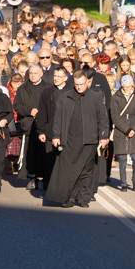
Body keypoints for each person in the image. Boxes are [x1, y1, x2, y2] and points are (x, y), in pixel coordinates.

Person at [45, 71, 109, 208]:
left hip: (89, 139)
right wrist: (56, 136)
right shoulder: (65, 97)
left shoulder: (96, 97)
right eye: (76, 84)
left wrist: (104, 136)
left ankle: (83, 198)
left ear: (87, 82)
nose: (79, 87)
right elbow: (57, 118)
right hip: (69, 140)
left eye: (81, 84)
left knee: (86, 171)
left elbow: (103, 118)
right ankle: (69, 198)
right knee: (69, 171)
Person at [14, 65, 48, 189]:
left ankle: (44, 178)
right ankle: (32, 178)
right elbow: (17, 105)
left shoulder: (48, 88)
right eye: (31, 73)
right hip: (28, 124)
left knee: (43, 153)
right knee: (30, 154)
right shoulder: (23, 88)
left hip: (43, 126)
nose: (33, 75)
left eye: (36, 73)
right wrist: (29, 111)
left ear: (41, 74)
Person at [110, 75, 135, 192]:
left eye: (130, 86)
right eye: (125, 87)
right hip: (121, 131)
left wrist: (134, 129)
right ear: (122, 86)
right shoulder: (115, 97)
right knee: (122, 158)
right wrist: (126, 129)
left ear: (133, 86)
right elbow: (115, 117)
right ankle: (123, 182)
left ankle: (134, 180)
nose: (128, 89)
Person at [36, 68, 68, 186]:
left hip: (66, 133)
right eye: (55, 75)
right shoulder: (47, 92)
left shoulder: (71, 92)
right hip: (49, 132)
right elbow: (42, 113)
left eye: (59, 76)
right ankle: (47, 184)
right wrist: (41, 131)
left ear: (65, 78)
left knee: (63, 161)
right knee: (49, 160)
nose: (56, 78)